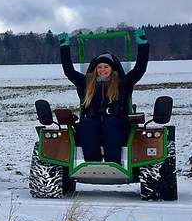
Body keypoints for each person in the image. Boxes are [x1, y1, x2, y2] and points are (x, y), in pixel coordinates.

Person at [59, 29, 149, 163]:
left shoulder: (122, 83)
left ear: (112, 68)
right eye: (99, 67)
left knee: (111, 123)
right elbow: (69, 71)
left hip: (117, 125)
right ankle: (92, 162)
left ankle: (113, 162)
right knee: (87, 123)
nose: (102, 70)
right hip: (92, 124)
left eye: (106, 66)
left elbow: (140, 68)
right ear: (95, 69)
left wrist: (143, 45)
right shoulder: (86, 83)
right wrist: (64, 47)